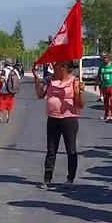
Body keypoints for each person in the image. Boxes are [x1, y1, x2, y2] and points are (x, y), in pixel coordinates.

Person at [33, 61, 83, 189]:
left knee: (70, 149)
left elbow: (80, 105)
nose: (53, 67)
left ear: (64, 67)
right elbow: (40, 95)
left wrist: (78, 92)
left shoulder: (74, 81)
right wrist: (36, 77)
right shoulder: (50, 80)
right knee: (51, 149)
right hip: (53, 118)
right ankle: (47, 178)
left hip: (69, 119)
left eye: (56, 65)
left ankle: (70, 179)